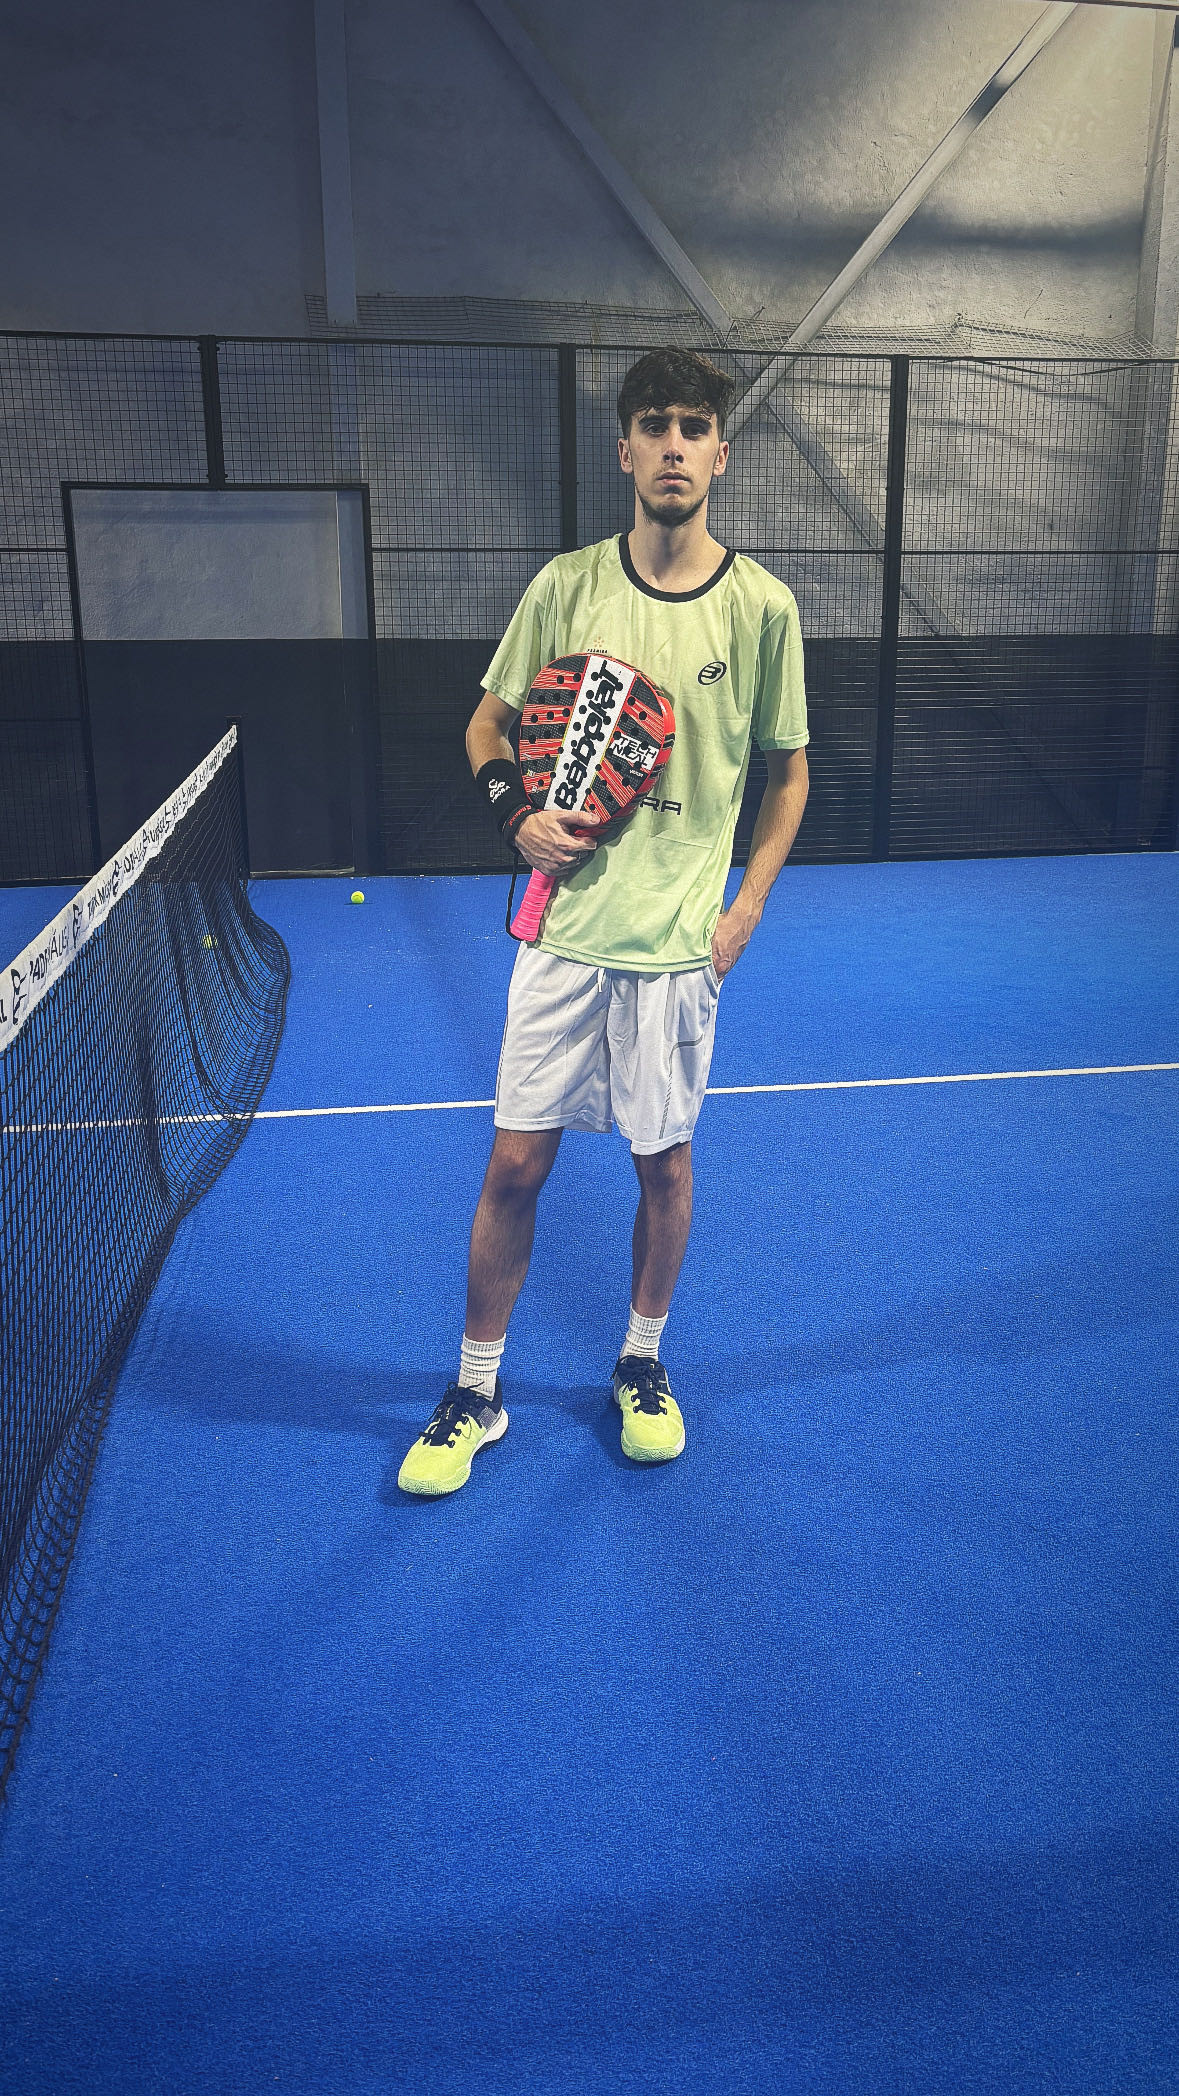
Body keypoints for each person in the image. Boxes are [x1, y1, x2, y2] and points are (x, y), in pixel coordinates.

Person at [397, 346, 809, 1497]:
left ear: (721, 454)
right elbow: (485, 728)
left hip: (678, 951)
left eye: (695, 427)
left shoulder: (764, 608)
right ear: (624, 450)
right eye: (654, 425)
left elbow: (788, 772)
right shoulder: (565, 586)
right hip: (563, 938)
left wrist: (747, 904)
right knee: (515, 1163)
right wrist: (516, 815)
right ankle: (477, 1389)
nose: (675, 445)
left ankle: (641, 1362)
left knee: (663, 1167)